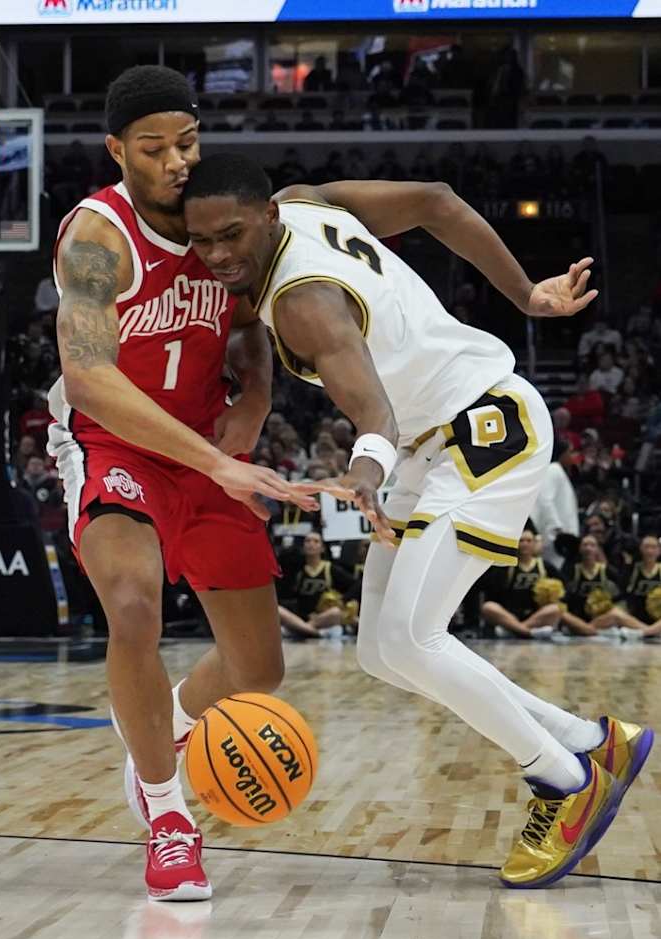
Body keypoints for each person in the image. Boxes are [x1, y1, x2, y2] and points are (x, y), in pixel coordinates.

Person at [183, 155, 653, 890]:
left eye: (230, 236)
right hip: (429, 447)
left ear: (267, 216)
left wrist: (364, 476)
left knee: (412, 637)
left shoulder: (304, 300)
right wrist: (526, 294)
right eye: (201, 239)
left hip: (482, 430)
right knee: (380, 649)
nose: (216, 255)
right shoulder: (305, 201)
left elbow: (374, 412)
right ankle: (590, 740)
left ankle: (564, 781)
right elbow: (435, 200)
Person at [47, 67, 317, 903]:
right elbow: (88, 376)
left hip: (207, 443)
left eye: (187, 143)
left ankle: (158, 729)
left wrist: (256, 399)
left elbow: (248, 328)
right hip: (113, 443)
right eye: (153, 148)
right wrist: (217, 461)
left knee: (257, 668)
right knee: (133, 605)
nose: (175, 162)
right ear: (117, 149)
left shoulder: (215, 222)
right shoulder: (99, 235)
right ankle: (168, 816)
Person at [480, 527, 564, 639]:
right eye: (521, 540)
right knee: (488, 607)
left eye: (529, 541)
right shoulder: (507, 565)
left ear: (535, 544)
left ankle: (513, 630)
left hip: (535, 615)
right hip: (509, 614)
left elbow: (563, 587)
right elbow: (493, 591)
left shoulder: (544, 566)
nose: (525, 544)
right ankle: (529, 633)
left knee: (555, 609)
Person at [277, 531, 358, 639]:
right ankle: (312, 631)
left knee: (336, 612)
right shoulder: (297, 569)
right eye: (308, 541)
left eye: (316, 541)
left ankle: (302, 630)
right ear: (303, 546)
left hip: (322, 618)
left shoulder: (330, 568)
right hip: (300, 617)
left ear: (322, 548)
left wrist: (343, 599)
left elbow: (356, 584)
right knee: (277, 609)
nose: (311, 544)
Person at [530, 438, 580, 571]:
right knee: (551, 571)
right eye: (570, 452)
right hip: (554, 537)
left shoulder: (560, 472)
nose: (573, 456)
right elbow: (545, 500)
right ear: (562, 454)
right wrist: (557, 529)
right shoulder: (553, 469)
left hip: (561, 535)